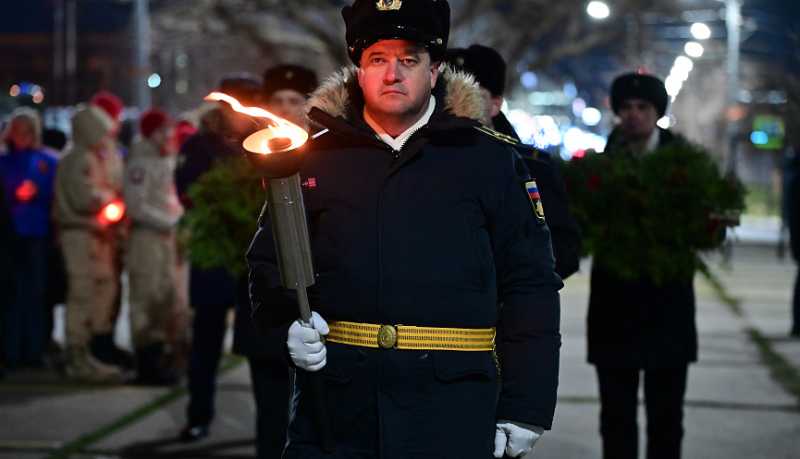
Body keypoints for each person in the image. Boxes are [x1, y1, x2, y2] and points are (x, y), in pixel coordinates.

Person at [247, 1, 562, 458]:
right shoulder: (312, 160)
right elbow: (268, 265)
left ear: (434, 71)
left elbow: (530, 284)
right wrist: (284, 331)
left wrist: (525, 405)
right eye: (378, 59)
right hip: (335, 412)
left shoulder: (489, 161)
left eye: (408, 60)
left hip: (451, 413)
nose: (392, 74)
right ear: (359, 71)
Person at [587, 72, 697, 459]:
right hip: (614, 311)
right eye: (627, 107)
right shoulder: (599, 167)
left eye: (643, 107)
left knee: (666, 419)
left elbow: (703, 224)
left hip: (668, 308)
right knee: (615, 418)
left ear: (657, 112)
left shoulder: (685, 165)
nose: (634, 115)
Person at [229, 63, 319, 459]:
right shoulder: (245, 158)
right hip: (265, 304)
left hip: (316, 307)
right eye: (277, 100)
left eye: (294, 100)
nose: (284, 108)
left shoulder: (325, 157)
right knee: (270, 411)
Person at [446, 44, 582, 279]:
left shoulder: (531, 167)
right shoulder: (426, 160)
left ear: (495, 103)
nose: (457, 106)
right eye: (448, 95)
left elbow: (564, 251)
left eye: (471, 95)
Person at [177, 75, 263, 442]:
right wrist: (221, 205)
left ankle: (269, 425)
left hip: (254, 255)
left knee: (260, 346)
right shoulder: (200, 144)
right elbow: (187, 190)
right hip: (214, 253)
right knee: (206, 342)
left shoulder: (266, 138)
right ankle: (199, 415)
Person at [53, 105, 125, 382]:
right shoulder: (77, 159)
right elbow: (84, 197)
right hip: (79, 235)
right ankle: (76, 355)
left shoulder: (92, 156)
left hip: (95, 234)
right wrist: (109, 198)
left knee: (100, 290)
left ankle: (90, 352)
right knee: (82, 293)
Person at [124, 109, 184, 385]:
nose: (168, 135)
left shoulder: (165, 160)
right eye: (162, 130)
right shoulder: (140, 163)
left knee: (164, 298)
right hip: (147, 239)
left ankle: (160, 358)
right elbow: (136, 206)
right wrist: (169, 222)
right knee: (146, 298)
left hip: (165, 239)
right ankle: (146, 364)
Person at [0, 108, 58, 369]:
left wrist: (38, 193)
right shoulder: (4, 161)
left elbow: (56, 194)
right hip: (9, 234)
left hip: (37, 233)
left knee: (36, 293)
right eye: (17, 130)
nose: (21, 135)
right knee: (11, 294)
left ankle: (34, 350)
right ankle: (11, 350)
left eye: (26, 130)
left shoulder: (47, 160)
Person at [88, 90, 133, 370]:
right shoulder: (93, 152)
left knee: (114, 289)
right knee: (98, 291)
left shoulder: (113, 150)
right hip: (98, 231)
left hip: (114, 230)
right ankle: (97, 344)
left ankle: (107, 339)